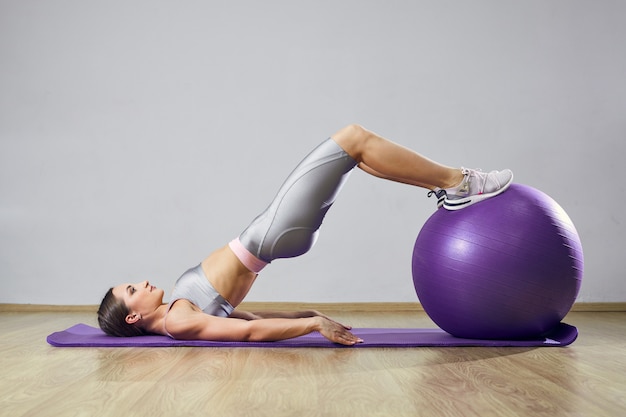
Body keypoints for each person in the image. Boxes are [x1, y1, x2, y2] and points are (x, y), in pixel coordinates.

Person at [97, 124, 513, 345]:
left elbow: (251, 319)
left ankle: (450, 188)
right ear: (133, 316)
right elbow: (248, 334)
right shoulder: (180, 322)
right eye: (133, 289)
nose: (144, 282)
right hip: (274, 233)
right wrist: (314, 324)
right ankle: (460, 182)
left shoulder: (178, 315)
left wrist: (307, 315)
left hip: (275, 234)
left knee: (358, 155)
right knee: (353, 138)